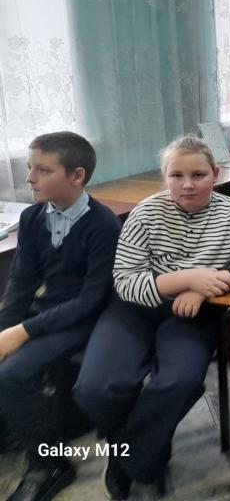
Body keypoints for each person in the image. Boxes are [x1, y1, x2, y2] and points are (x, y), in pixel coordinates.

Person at [73, 135, 230, 499]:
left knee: (179, 380)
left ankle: (129, 456)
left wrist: (205, 287)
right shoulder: (146, 212)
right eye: (176, 175)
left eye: (198, 175)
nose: (187, 184)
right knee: (95, 387)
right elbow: (125, 280)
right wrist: (187, 278)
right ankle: (142, 441)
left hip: (193, 314)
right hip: (134, 310)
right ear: (165, 176)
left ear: (215, 174)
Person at [0, 132, 121, 501]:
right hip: (49, 311)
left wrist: (21, 332)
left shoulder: (103, 224)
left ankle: (49, 464)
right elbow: (21, 282)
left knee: (12, 373)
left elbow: (90, 300)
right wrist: (6, 328)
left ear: (77, 175)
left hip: (86, 319)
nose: (29, 178)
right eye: (29, 168)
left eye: (42, 170)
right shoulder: (32, 217)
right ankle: (17, 426)